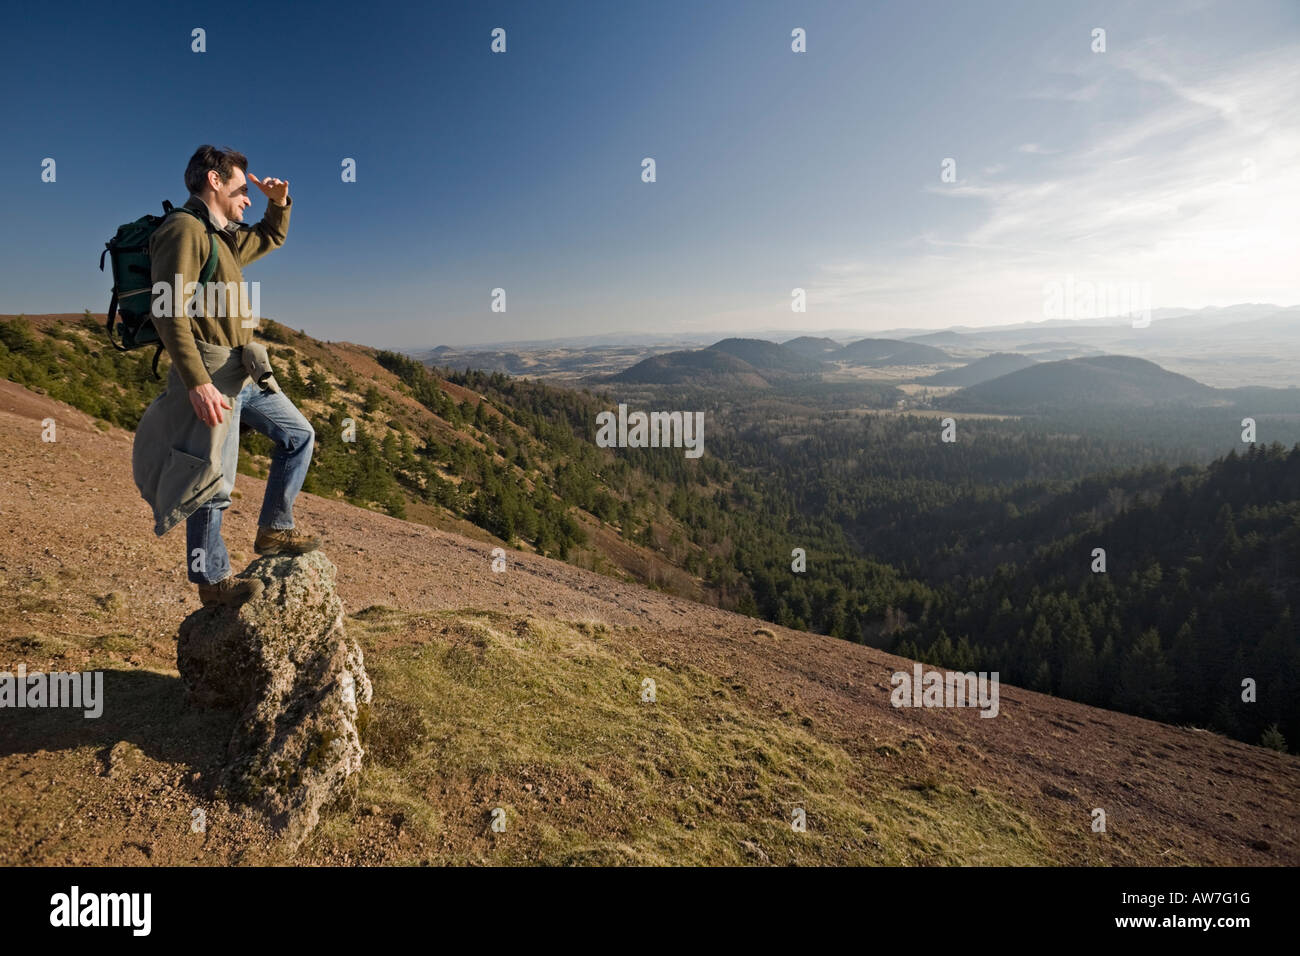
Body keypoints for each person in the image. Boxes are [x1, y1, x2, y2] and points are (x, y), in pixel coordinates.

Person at [143, 145, 320, 607]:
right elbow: (168, 313)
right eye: (242, 189)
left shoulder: (223, 236)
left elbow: (270, 236)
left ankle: (274, 530)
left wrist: (277, 202)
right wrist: (197, 381)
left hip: (241, 369)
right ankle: (212, 581)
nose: (247, 198)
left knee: (298, 435)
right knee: (212, 477)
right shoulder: (183, 230)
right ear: (214, 181)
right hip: (208, 371)